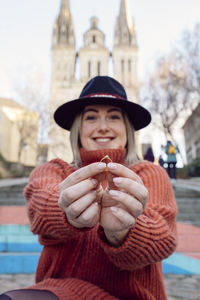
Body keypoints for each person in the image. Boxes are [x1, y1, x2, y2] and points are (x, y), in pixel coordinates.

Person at [0, 76, 177, 300]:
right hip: (55, 293)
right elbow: (39, 208)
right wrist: (68, 212)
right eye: (91, 117)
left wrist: (121, 231)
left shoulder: (150, 174)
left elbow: (163, 240)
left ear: (127, 128)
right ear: (78, 129)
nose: (102, 127)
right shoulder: (54, 171)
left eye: (113, 117)